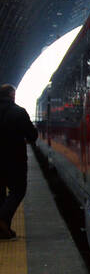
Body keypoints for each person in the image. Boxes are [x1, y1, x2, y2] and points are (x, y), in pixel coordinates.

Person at [0, 84, 37, 240]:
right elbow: (32, 135)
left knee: (0, 194)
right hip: (15, 159)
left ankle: (4, 230)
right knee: (18, 190)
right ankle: (2, 220)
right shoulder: (19, 112)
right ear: (12, 95)